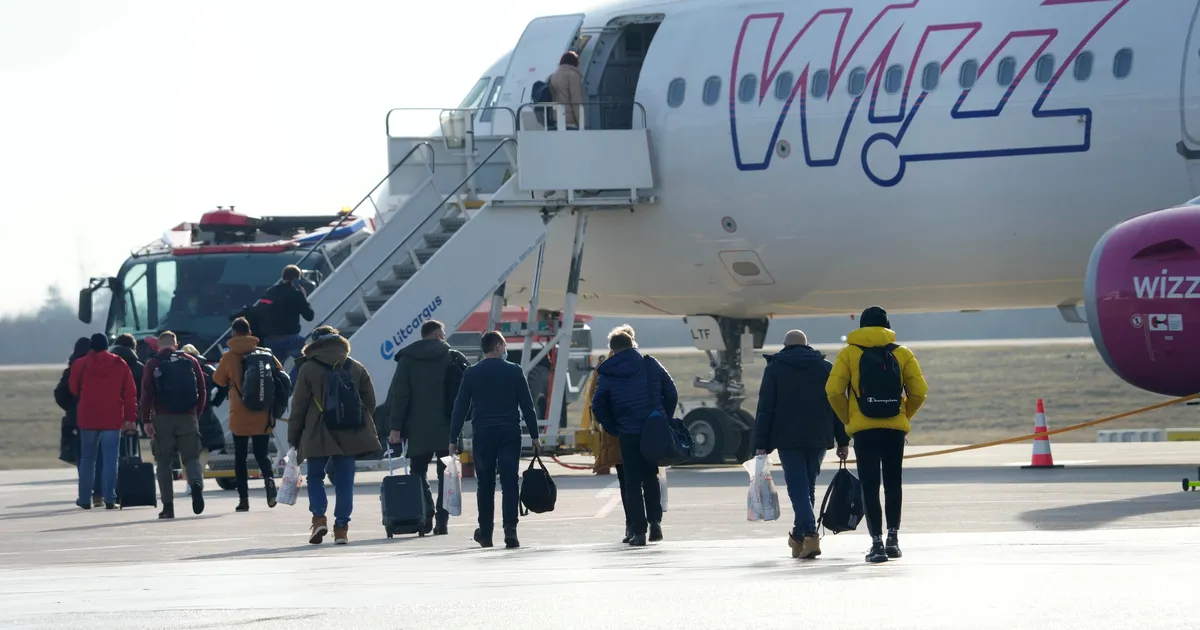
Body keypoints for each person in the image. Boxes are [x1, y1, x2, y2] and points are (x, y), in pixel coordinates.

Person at [826, 306, 928, 563]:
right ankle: (893, 539)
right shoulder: (902, 353)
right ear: (887, 326)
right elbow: (919, 393)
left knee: (870, 486)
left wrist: (849, 420)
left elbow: (834, 391)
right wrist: (904, 416)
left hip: (864, 430)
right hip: (894, 430)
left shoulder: (849, 353)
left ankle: (877, 544)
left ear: (861, 327)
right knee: (894, 483)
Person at [753, 329, 850, 559]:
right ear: (807, 345)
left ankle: (809, 534)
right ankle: (798, 538)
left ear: (785, 346)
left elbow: (765, 409)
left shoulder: (775, 369)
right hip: (818, 437)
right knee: (807, 487)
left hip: (788, 438)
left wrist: (761, 444)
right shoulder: (825, 368)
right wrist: (843, 440)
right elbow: (837, 407)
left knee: (798, 488)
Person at [449, 331, 541, 549]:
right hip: (509, 431)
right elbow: (527, 405)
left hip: (483, 434)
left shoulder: (472, 373)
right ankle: (510, 530)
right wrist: (535, 435)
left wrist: (453, 438)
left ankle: (486, 533)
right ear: (498, 346)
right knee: (510, 482)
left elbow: (460, 407)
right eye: (505, 345)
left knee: (485, 484)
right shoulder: (514, 370)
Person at [288, 326, 379, 545]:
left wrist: (294, 437)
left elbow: (298, 405)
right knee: (345, 480)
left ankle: (319, 517)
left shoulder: (308, 368)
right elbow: (370, 402)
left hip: (318, 430)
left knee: (316, 476)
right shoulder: (354, 366)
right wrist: (354, 418)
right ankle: (341, 529)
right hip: (350, 430)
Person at [591, 325, 678, 547]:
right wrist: (663, 416)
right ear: (632, 345)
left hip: (627, 432)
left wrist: (613, 426)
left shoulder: (607, 372)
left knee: (631, 483)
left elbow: (597, 405)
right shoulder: (650, 364)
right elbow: (671, 391)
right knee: (651, 477)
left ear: (613, 350)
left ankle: (638, 532)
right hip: (652, 430)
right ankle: (655, 522)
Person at [386, 320, 469, 536]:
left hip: (417, 429)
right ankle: (442, 521)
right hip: (447, 427)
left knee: (418, 473)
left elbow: (400, 395)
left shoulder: (407, 358)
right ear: (438, 334)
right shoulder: (451, 355)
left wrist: (396, 428)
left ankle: (426, 513)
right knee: (447, 475)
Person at [212, 318, 284, 512]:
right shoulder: (265, 353)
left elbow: (218, 380)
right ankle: (269, 484)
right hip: (262, 413)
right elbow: (281, 374)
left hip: (240, 415)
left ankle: (244, 499)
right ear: (250, 332)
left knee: (240, 458)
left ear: (234, 333)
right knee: (262, 454)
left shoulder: (229, 357)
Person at [141, 330, 209, 519]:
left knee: (163, 462)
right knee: (192, 458)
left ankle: (168, 507)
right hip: (188, 417)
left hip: (162, 418)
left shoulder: (153, 363)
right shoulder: (191, 361)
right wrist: (196, 413)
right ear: (176, 344)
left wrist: (146, 420)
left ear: (158, 345)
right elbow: (202, 390)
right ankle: (196, 484)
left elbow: (146, 394)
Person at [69, 333, 138, 510]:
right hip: (112, 416)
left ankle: (85, 499)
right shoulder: (119, 363)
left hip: (88, 416)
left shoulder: (80, 364)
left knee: (87, 459)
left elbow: (73, 388)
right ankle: (109, 498)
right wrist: (130, 418)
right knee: (110, 459)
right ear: (107, 346)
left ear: (91, 346)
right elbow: (130, 393)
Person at [179, 344, 225, 497]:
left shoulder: (177, 367)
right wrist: (215, 401)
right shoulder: (208, 369)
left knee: (185, 450)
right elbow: (223, 384)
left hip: (184, 413)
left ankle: (190, 482)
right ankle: (198, 480)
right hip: (205, 412)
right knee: (203, 450)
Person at [55, 338, 96, 500]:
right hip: (98, 416)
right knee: (98, 455)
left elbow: (60, 393)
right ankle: (99, 491)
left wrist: (70, 408)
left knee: (83, 457)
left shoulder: (71, 370)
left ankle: (86, 491)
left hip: (76, 418)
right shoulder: (97, 367)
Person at [258, 264, 315, 364]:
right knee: (306, 362)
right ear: (296, 279)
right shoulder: (296, 294)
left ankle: (282, 379)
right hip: (291, 338)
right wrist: (304, 298)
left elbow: (259, 310)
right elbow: (309, 316)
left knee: (276, 369)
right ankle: (295, 379)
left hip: (271, 339)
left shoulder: (270, 292)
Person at [548, 51, 585, 130]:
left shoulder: (552, 76)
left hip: (556, 119)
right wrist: (582, 123)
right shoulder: (573, 75)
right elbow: (576, 101)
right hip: (569, 120)